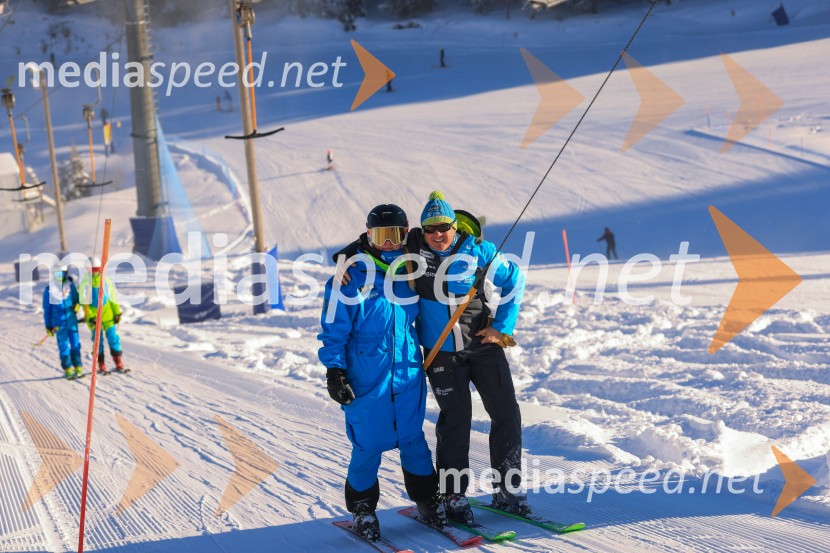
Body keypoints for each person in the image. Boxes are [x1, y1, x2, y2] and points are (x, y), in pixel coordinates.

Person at [334, 191, 528, 524]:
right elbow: (373, 240)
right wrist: (343, 257)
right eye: (430, 229)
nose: (438, 235)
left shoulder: (478, 250)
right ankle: (453, 494)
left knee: (507, 413)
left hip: (483, 347)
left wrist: (501, 326)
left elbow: (515, 279)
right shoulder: (411, 246)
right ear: (421, 231)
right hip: (441, 353)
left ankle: (507, 489)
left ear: (455, 226)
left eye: (444, 227)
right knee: (456, 421)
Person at [319, 204, 446, 542]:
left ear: (407, 233)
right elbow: (333, 330)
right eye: (380, 236)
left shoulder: (412, 267)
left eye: (395, 235)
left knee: (414, 441)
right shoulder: (351, 276)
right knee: (368, 445)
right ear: (368, 234)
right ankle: (363, 510)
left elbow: (446, 237)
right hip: (366, 376)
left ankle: (427, 501)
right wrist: (335, 371)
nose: (389, 244)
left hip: (406, 373)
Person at [79, 257, 125, 373]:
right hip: (94, 317)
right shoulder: (84, 283)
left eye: (96, 269)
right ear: (88, 270)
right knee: (97, 340)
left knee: (113, 337)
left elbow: (112, 297)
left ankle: (117, 360)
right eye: (92, 270)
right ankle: (101, 363)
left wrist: (117, 312)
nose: (95, 272)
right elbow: (83, 303)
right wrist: (89, 317)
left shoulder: (106, 280)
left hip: (108, 314)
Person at [42, 264, 83, 379]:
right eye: (57, 274)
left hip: (71, 320)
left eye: (62, 274)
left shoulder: (70, 287)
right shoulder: (49, 290)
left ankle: (78, 366)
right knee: (63, 345)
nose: (59, 277)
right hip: (58, 323)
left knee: (75, 344)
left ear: (66, 274)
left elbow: (77, 300)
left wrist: (77, 305)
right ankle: (68, 368)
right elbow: (47, 309)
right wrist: (48, 325)